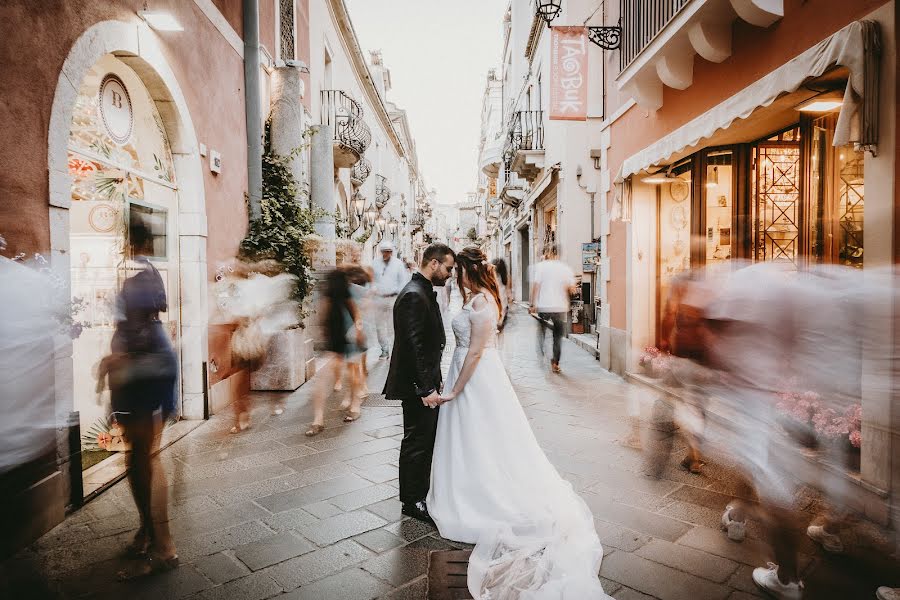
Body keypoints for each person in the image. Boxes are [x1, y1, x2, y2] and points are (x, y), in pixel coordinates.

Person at [428, 246, 609, 599]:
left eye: (458, 270)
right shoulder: (478, 298)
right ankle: (467, 485)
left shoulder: (481, 302)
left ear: (468, 271)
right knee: (473, 438)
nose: (454, 275)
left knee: (484, 436)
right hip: (466, 371)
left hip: (476, 377)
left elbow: (478, 352)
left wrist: (455, 390)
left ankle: (481, 494)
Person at [107, 217, 178, 575]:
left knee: (143, 459)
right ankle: (149, 534)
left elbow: (136, 330)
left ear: (132, 241)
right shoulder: (149, 274)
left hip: (143, 371)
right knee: (141, 457)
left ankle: (163, 547)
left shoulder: (140, 278)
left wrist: (114, 359)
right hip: (152, 367)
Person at [383, 243, 456, 524]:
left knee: (423, 440)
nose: (449, 274)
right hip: (418, 386)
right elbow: (412, 345)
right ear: (434, 263)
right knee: (417, 441)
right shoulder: (414, 294)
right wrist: (425, 388)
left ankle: (417, 495)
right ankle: (411, 501)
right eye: (448, 268)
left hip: (425, 381)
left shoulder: (422, 290)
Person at [306, 267, 366, 436]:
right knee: (349, 375)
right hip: (343, 341)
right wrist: (359, 331)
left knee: (340, 377)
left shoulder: (332, 295)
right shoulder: (338, 295)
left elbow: (326, 317)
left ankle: (320, 419)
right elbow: (356, 314)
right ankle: (352, 407)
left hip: (344, 340)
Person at [529, 244, 576, 373]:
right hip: (560, 307)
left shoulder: (542, 266)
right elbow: (572, 288)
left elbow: (536, 286)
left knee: (542, 331)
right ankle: (555, 362)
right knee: (557, 336)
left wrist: (532, 304)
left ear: (549, 253)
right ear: (560, 254)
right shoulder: (565, 268)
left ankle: (541, 351)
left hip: (544, 306)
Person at [372, 240, 408, 358]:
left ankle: (394, 350)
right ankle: (384, 348)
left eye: (389, 252)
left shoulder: (398, 264)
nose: (386, 254)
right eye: (384, 252)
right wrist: (373, 289)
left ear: (392, 252)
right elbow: (371, 279)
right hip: (379, 298)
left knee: (392, 326)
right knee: (379, 326)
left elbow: (403, 281)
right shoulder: (375, 263)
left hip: (393, 298)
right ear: (381, 252)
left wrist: (399, 295)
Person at [491, 257, 512, 332]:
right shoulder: (506, 277)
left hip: (494, 303)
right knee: (500, 328)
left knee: (493, 329)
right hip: (503, 305)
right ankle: (500, 342)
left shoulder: (491, 276)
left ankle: (496, 342)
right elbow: (509, 293)